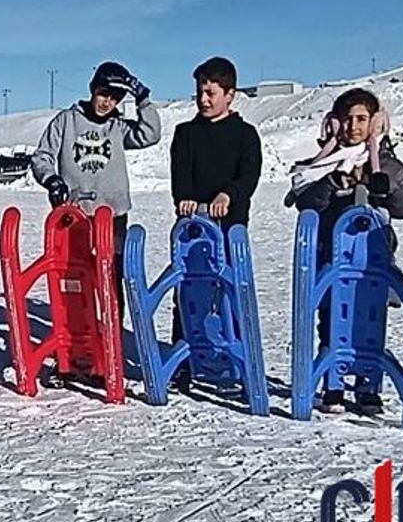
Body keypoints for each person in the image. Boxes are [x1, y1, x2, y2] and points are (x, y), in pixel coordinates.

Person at [29, 61, 160, 386]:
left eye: (115, 98)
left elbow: (150, 134)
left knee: (109, 286)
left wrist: (143, 98)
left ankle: (109, 353)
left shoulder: (118, 127)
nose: (107, 102)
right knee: (73, 287)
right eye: (104, 94)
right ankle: (71, 356)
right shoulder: (66, 121)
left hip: (112, 218)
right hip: (75, 219)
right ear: (93, 89)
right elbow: (42, 156)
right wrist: (52, 180)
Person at [288, 87, 403, 416]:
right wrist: (331, 183)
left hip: (372, 263)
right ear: (334, 123)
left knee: (369, 321)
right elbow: (304, 201)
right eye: (346, 119)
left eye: (361, 119)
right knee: (331, 319)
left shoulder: (386, 162)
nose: (353, 126)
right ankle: (332, 384)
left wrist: (385, 187)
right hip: (330, 257)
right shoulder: (323, 164)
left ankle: (367, 387)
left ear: (375, 122)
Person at [167, 57, 262, 390]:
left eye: (211, 93)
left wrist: (228, 195)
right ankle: (183, 362)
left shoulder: (245, 135)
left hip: (230, 228)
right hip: (193, 230)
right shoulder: (186, 133)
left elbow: (249, 175)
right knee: (188, 291)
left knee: (232, 291)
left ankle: (239, 359)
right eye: (199, 93)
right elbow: (180, 173)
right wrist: (186, 198)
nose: (203, 100)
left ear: (230, 95)